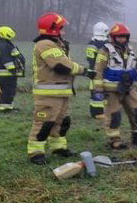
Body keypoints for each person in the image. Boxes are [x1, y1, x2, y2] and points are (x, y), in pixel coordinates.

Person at [28, 12, 95, 165]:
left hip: (60, 92)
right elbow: (61, 65)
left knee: (62, 121)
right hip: (48, 93)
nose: (63, 31)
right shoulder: (44, 44)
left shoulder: (55, 44)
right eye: (61, 28)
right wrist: (84, 71)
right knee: (44, 123)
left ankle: (58, 148)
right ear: (52, 29)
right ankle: (35, 152)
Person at [93, 23, 137, 149]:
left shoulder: (130, 49)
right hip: (111, 90)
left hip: (127, 87)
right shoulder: (105, 50)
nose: (122, 39)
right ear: (113, 37)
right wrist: (98, 90)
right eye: (120, 37)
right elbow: (98, 71)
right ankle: (114, 140)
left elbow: (135, 66)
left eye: (125, 36)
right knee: (114, 115)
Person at [0, 26, 24, 112]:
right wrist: (13, 69)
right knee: (7, 91)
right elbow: (6, 59)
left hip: (6, 72)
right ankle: (5, 108)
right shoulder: (4, 45)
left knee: (9, 90)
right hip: (7, 72)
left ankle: (8, 106)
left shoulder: (4, 43)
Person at [84, 22, 108, 119]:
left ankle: (95, 112)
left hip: (93, 71)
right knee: (99, 92)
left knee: (96, 92)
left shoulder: (91, 43)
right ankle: (98, 112)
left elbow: (90, 59)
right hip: (101, 71)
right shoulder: (106, 44)